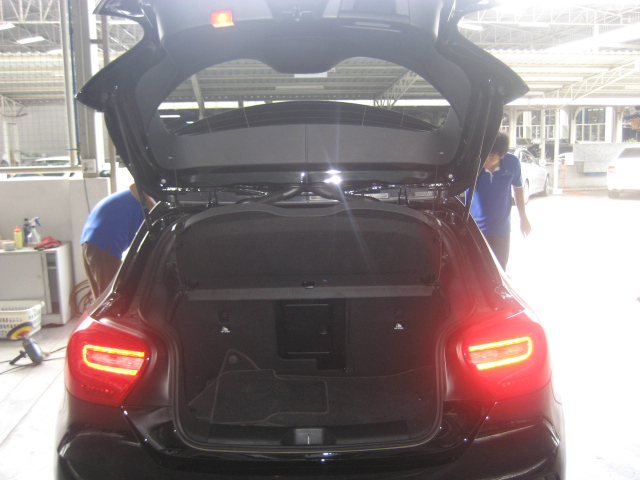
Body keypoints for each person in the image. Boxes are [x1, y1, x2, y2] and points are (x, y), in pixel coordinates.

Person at [467, 131, 531, 270]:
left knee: (500, 268)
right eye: (484, 155)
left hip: (501, 229)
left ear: (502, 155)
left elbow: (518, 189)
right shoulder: (473, 164)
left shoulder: (512, 162)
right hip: (474, 228)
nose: (486, 160)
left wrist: (523, 219)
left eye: (491, 157)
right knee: (477, 269)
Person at [81, 184, 156, 300]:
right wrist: (155, 209)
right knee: (110, 299)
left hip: (92, 237)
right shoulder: (152, 198)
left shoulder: (151, 196)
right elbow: (135, 186)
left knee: (101, 298)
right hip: (104, 240)